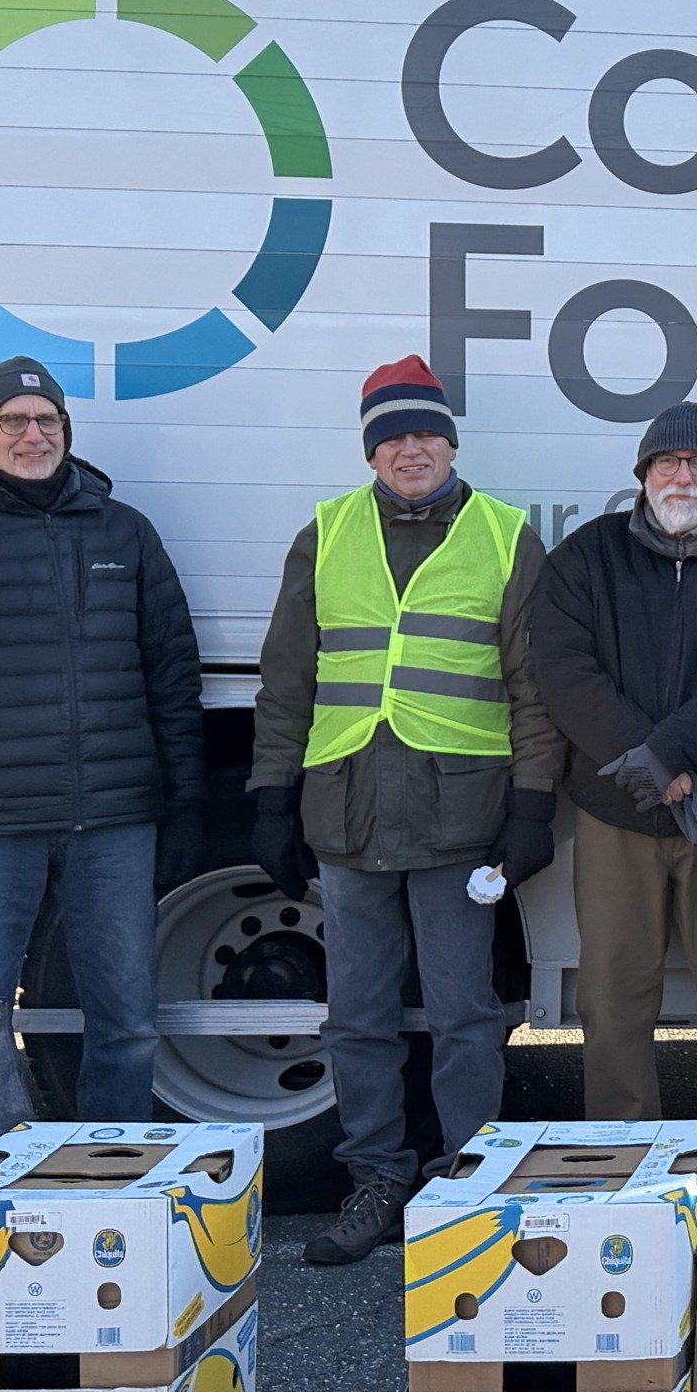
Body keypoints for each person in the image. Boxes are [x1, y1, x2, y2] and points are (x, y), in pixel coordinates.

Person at [250, 356, 558, 1266]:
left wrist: (533, 807)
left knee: (466, 1014)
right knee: (356, 1016)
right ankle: (377, 1181)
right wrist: (270, 797)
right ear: (371, 451)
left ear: (451, 444)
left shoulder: (506, 536)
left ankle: (466, 1183)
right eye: (392, 437)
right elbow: (286, 680)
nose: (410, 449)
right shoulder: (325, 533)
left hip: (460, 819)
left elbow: (535, 689)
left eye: (425, 433)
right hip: (347, 814)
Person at [0, 356, 204, 1122]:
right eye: (13, 421)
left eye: (46, 419)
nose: (33, 435)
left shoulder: (126, 533)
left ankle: (112, 1170)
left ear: (66, 428)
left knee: (128, 1025)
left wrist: (186, 803)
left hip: (115, 823)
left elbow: (171, 676)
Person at [533, 401, 697, 1169]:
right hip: (617, 813)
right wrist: (648, 762)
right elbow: (564, 672)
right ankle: (624, 1170)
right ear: (643, 475)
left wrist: (672, 752)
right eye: (667, 463)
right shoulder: (586, 557)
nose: (682, 476)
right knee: (611, 1000)